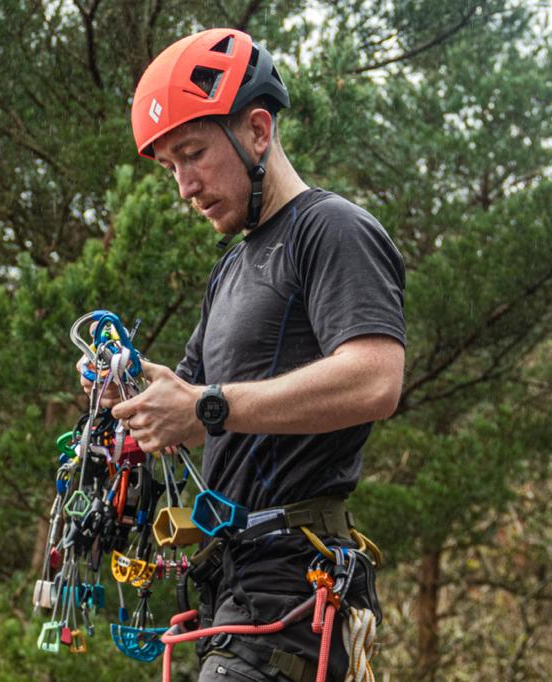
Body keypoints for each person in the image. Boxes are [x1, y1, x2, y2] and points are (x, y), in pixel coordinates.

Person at [82, 28, 405, 682]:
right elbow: (191, 398)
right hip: (230, 584)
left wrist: (206, 407)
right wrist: (135, 389)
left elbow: (376, 378)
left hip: (291, 583)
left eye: (194, 153)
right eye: (171, 166)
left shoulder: (331, 229)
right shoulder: (231, 269)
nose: (184, 186)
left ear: (258, 130)